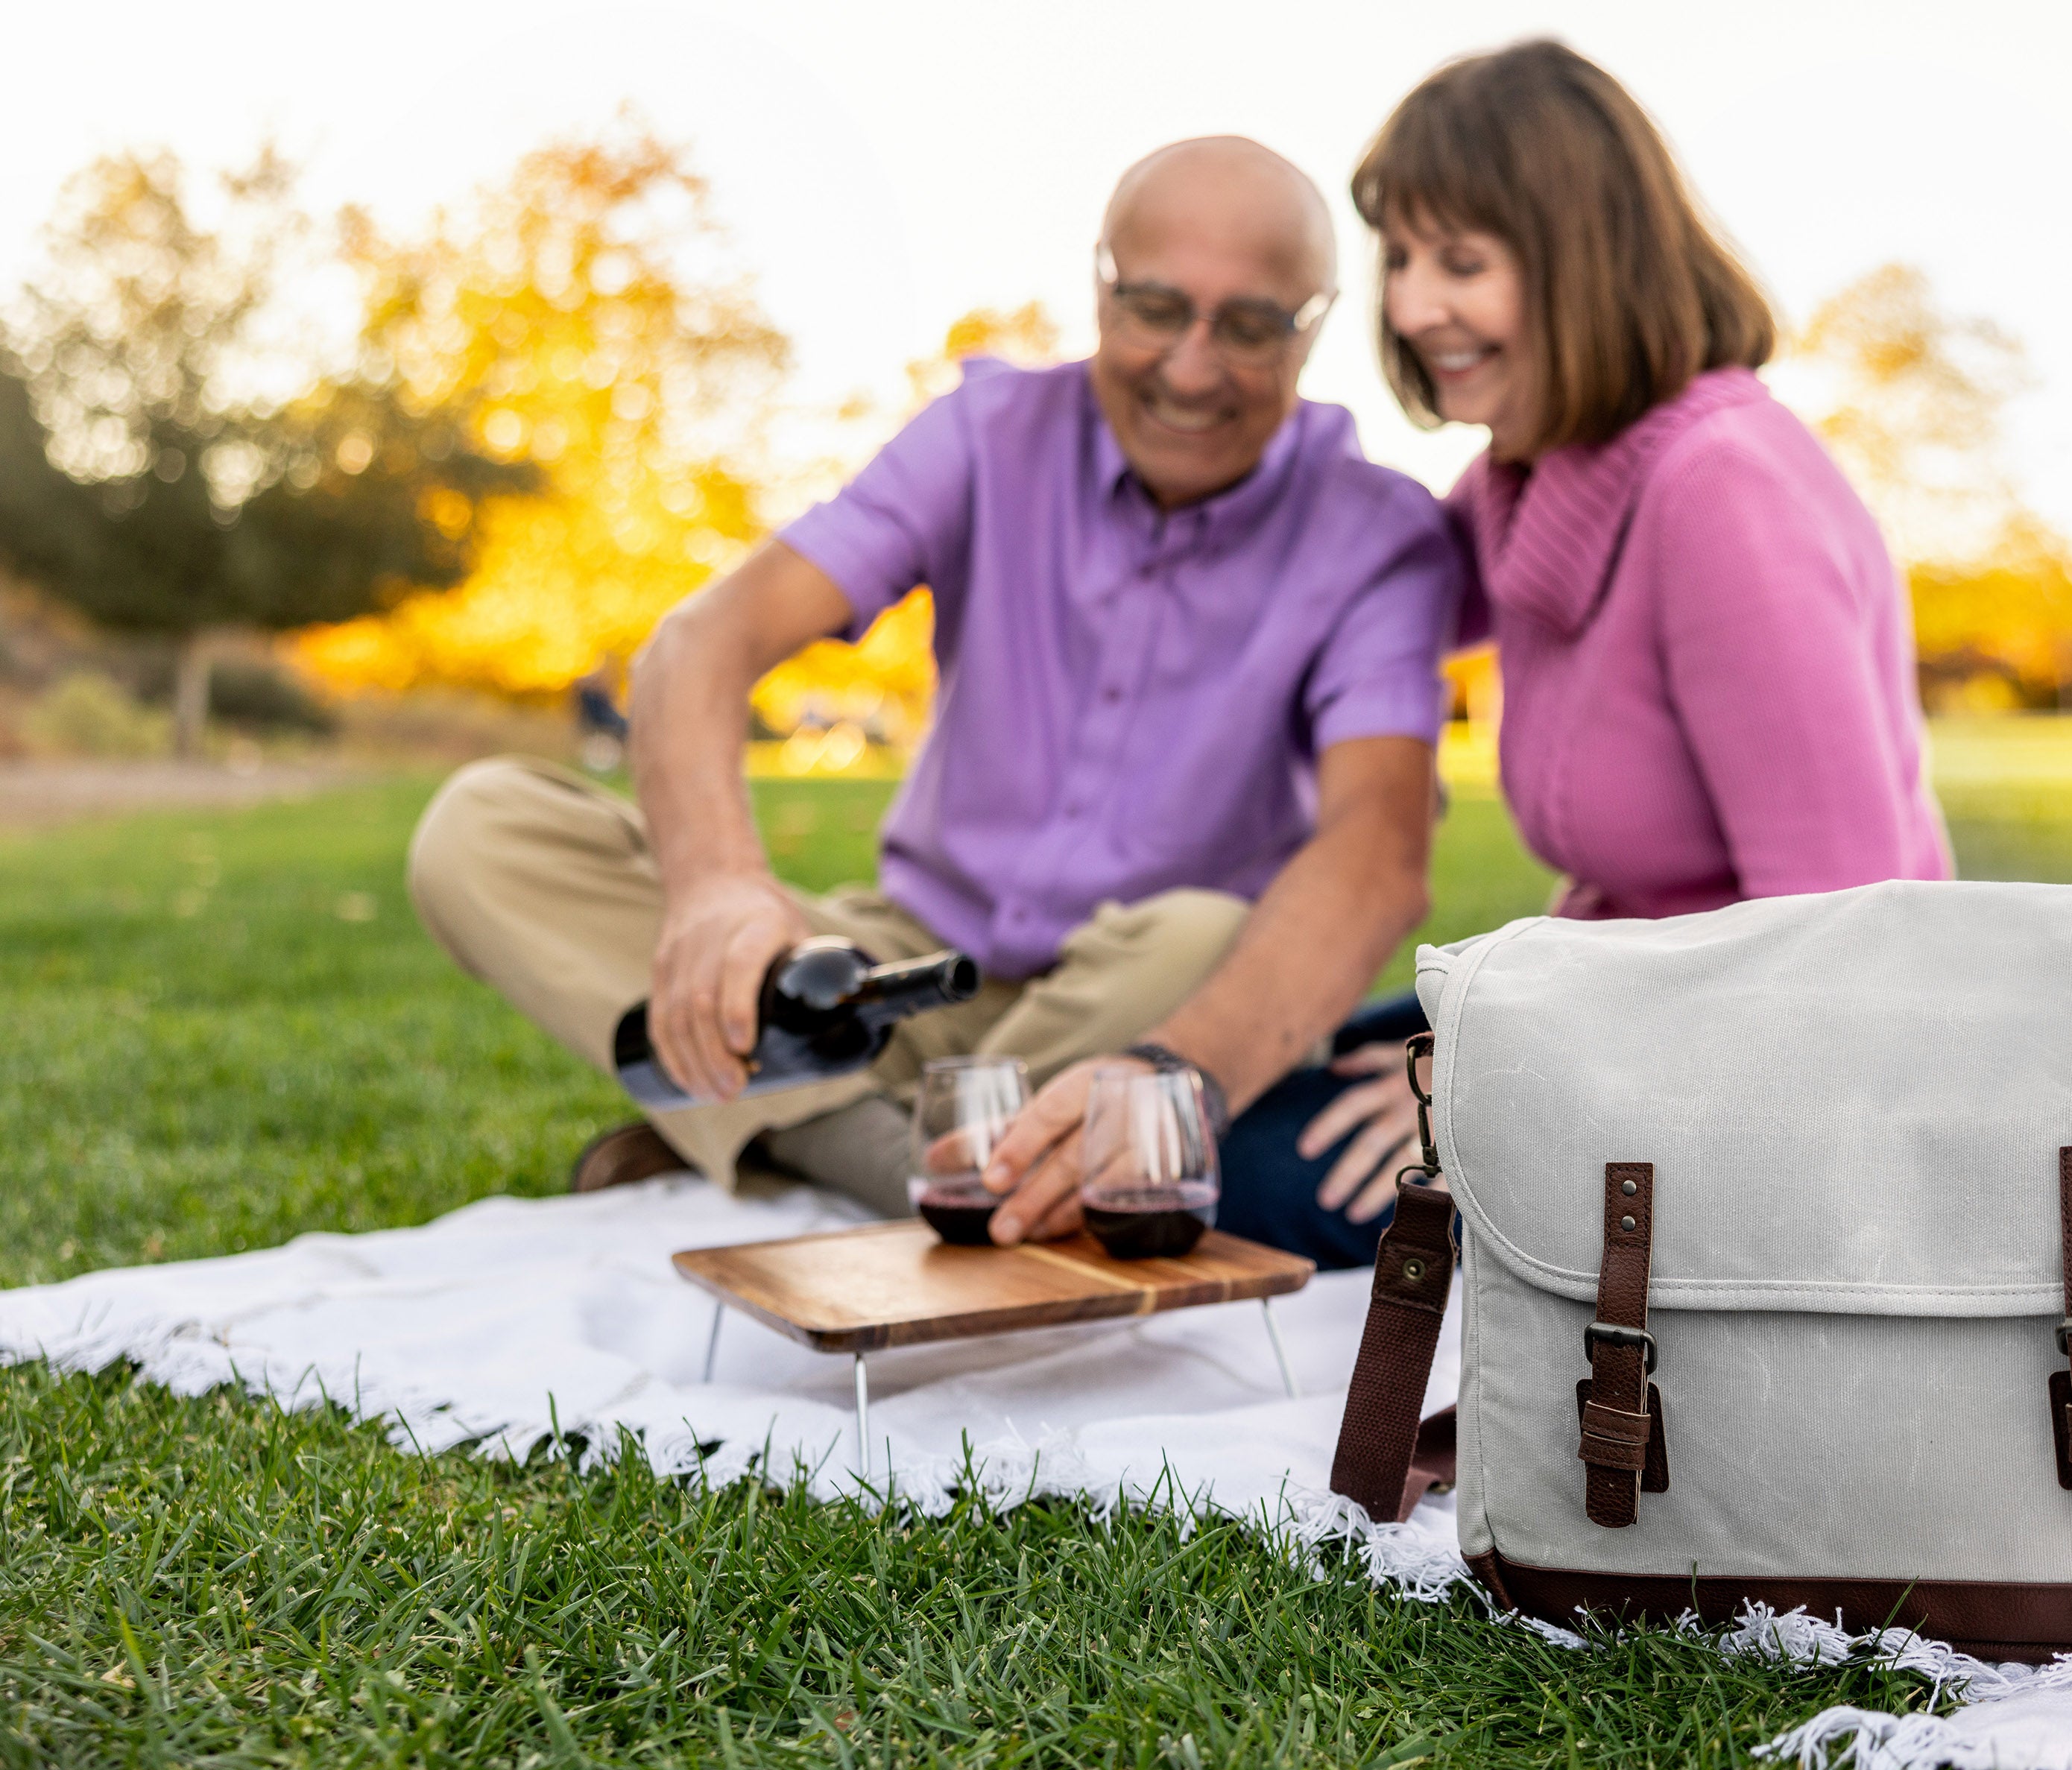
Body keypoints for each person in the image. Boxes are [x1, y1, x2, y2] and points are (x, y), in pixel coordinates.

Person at [406, 137, 1465, 1254]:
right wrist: (719, 885)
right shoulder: (987, 434)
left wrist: (1179, 1072)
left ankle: (800, 1139)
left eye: (1249, 326)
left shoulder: (1377, 534)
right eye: (1155, 307)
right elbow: (702, 644)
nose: (1192, 369)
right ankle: (926, 1163)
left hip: (1147, 995)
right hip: (895, 979)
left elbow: (1377, 853)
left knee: (1210, 930)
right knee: (483, 830)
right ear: (1101, 285)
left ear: (1314, 322)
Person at [1289, 40, 1952, 1206]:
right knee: (1256, 1091)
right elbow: (1358, 596)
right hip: (1599, 1006)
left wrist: (1495, 1071)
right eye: (1399, 256)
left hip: (1753, 1077)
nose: (1409, 304)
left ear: (1577, 261)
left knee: (1249, 1181)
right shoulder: (1538, 468)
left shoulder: (1721, 493)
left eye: (1460, 261)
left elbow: (1839, 943)